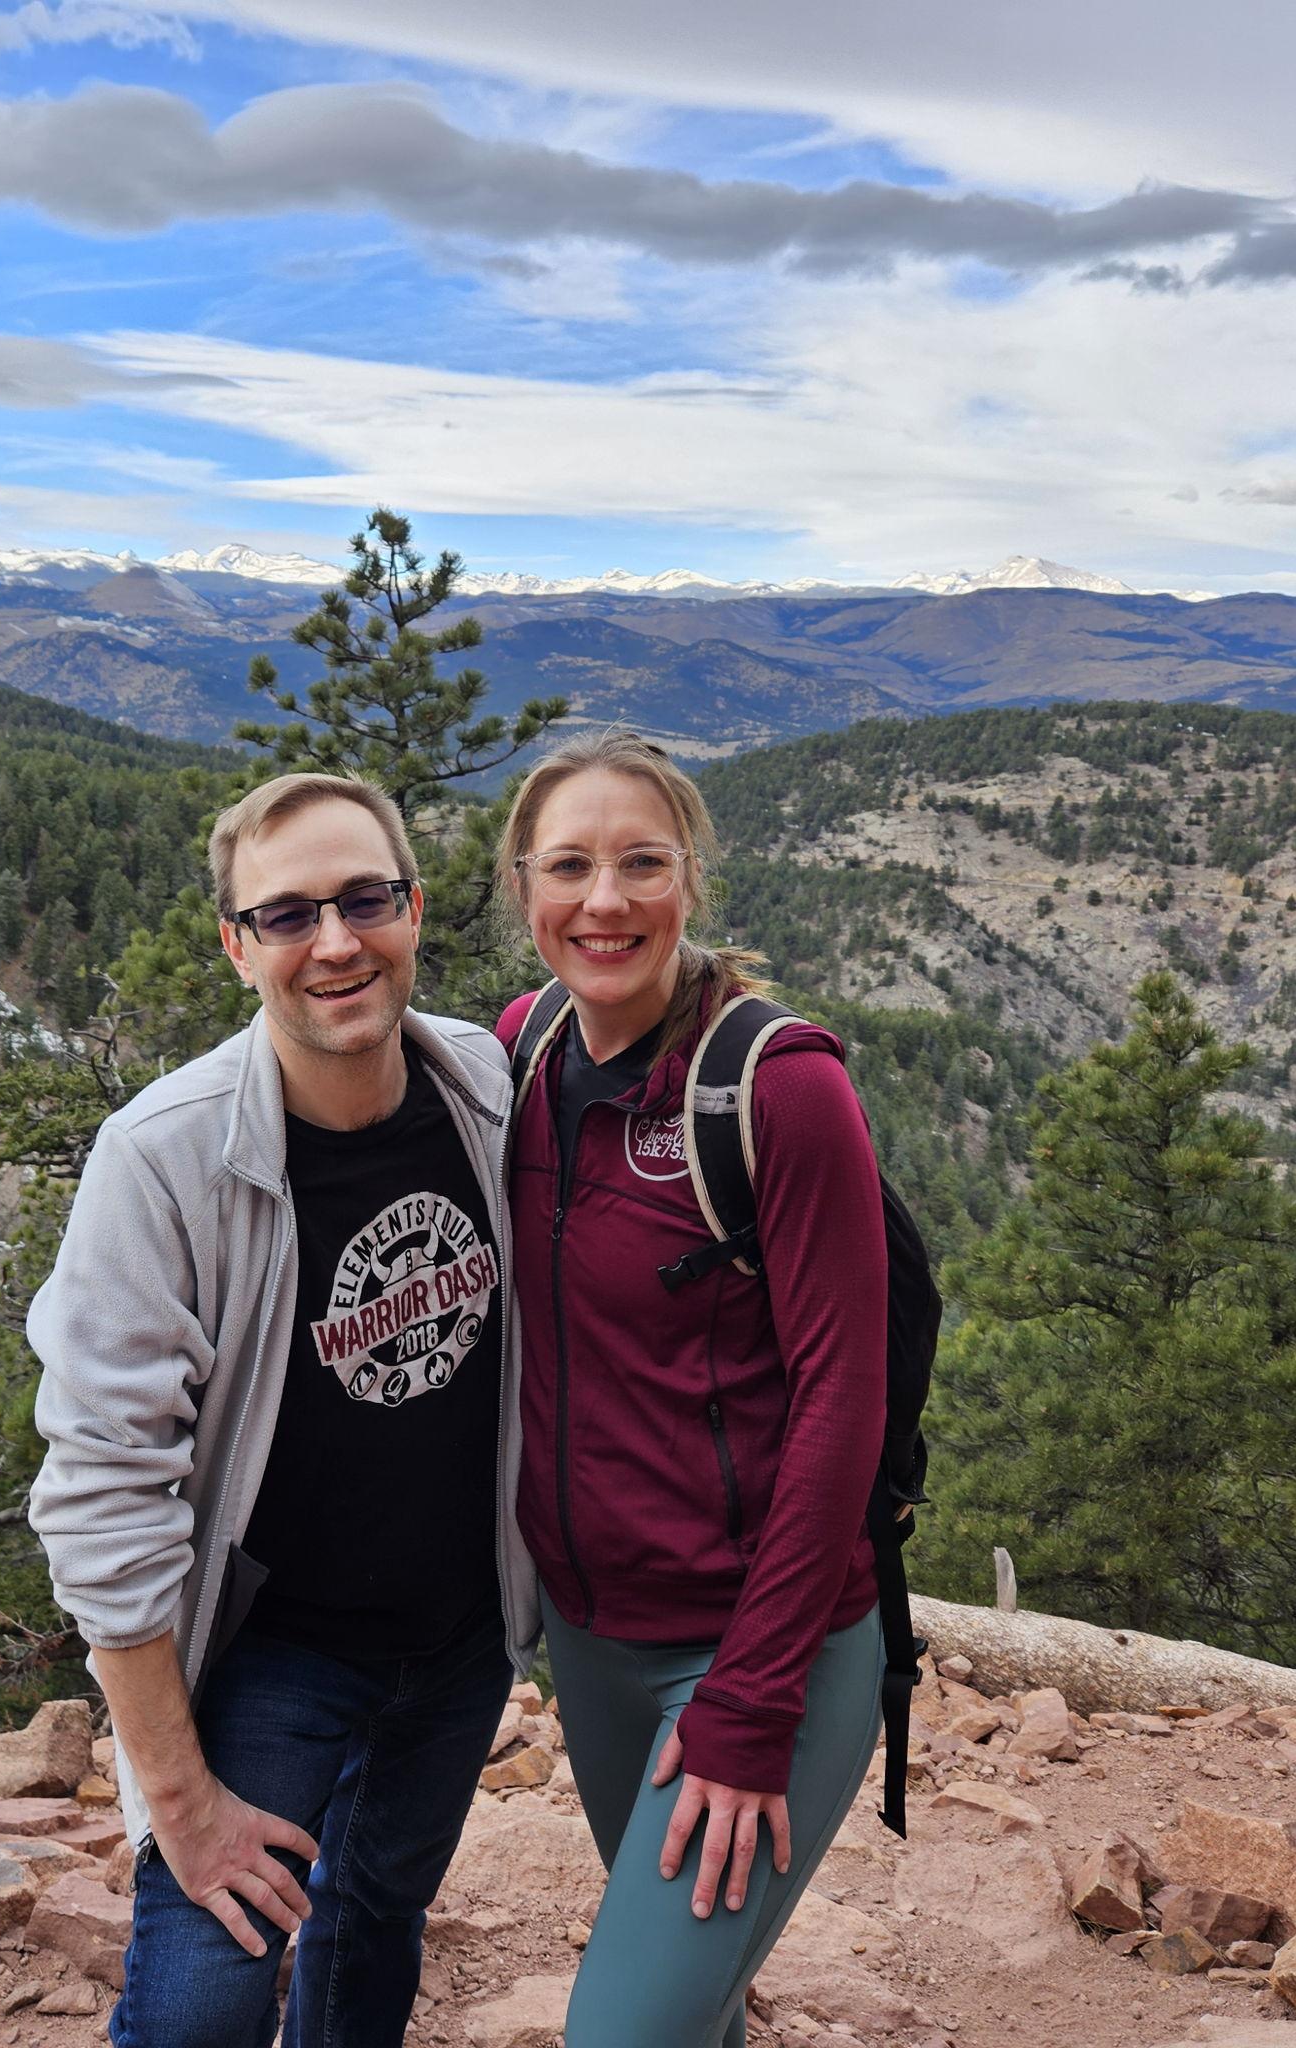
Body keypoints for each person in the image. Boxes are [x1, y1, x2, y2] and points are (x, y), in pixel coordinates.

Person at [25, 770, 536, 2048]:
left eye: (366, 899)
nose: (336, 942)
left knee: (374, 1922)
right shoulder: (164, 1158)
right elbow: (100, 1492)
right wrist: (182, 1800)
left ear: (414, 908)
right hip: (278, 1648)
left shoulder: (484, 1083)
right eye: (288, 913)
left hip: (463, 1626)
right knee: (199, 2005)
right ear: (237, 945)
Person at [494, 730, 888, 2048]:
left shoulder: (778, 1089)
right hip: (592, 1644)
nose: (602, 900)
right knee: (687, 2013)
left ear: (688, 881)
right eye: (568, 866)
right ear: (523, 889)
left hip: (762, 1645)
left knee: (622, 2032)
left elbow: (841, 1400)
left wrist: (752, 1696)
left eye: (640, 864)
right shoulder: (520, 1055)